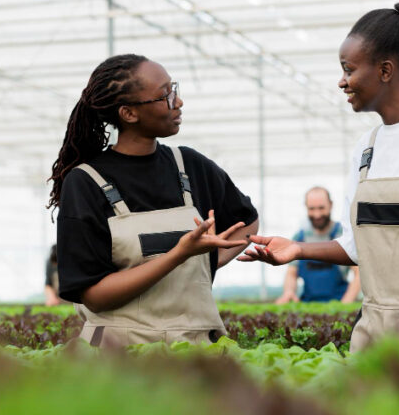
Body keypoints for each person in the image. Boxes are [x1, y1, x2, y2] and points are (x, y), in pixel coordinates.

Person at [241, 0, 399, 351]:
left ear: (386, 71)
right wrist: (298, 249)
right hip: (376, 330)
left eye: (349, 69)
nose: (342, 82)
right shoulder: (367, 147)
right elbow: (358, 246)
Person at [48, 54, 259, 348]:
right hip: (119, 356)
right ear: (128, 113)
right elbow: (94, 295)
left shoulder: (190, 165)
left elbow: (246, 221)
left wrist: (204, 260)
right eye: (165, 96)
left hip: (196, 350)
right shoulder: (85, 182)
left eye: (174, 89)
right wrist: (179, 255)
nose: (178, 102)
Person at [275, 187, 360, 304]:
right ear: (306, 207)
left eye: (321, 208)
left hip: (339, 302)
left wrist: (346, 303)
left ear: (330, 205)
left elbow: (359, 273)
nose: (317, 214)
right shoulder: (300, 238)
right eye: (312, 209)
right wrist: (289, 291)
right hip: (307, 304)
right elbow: (291, 273)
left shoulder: (344, 234)